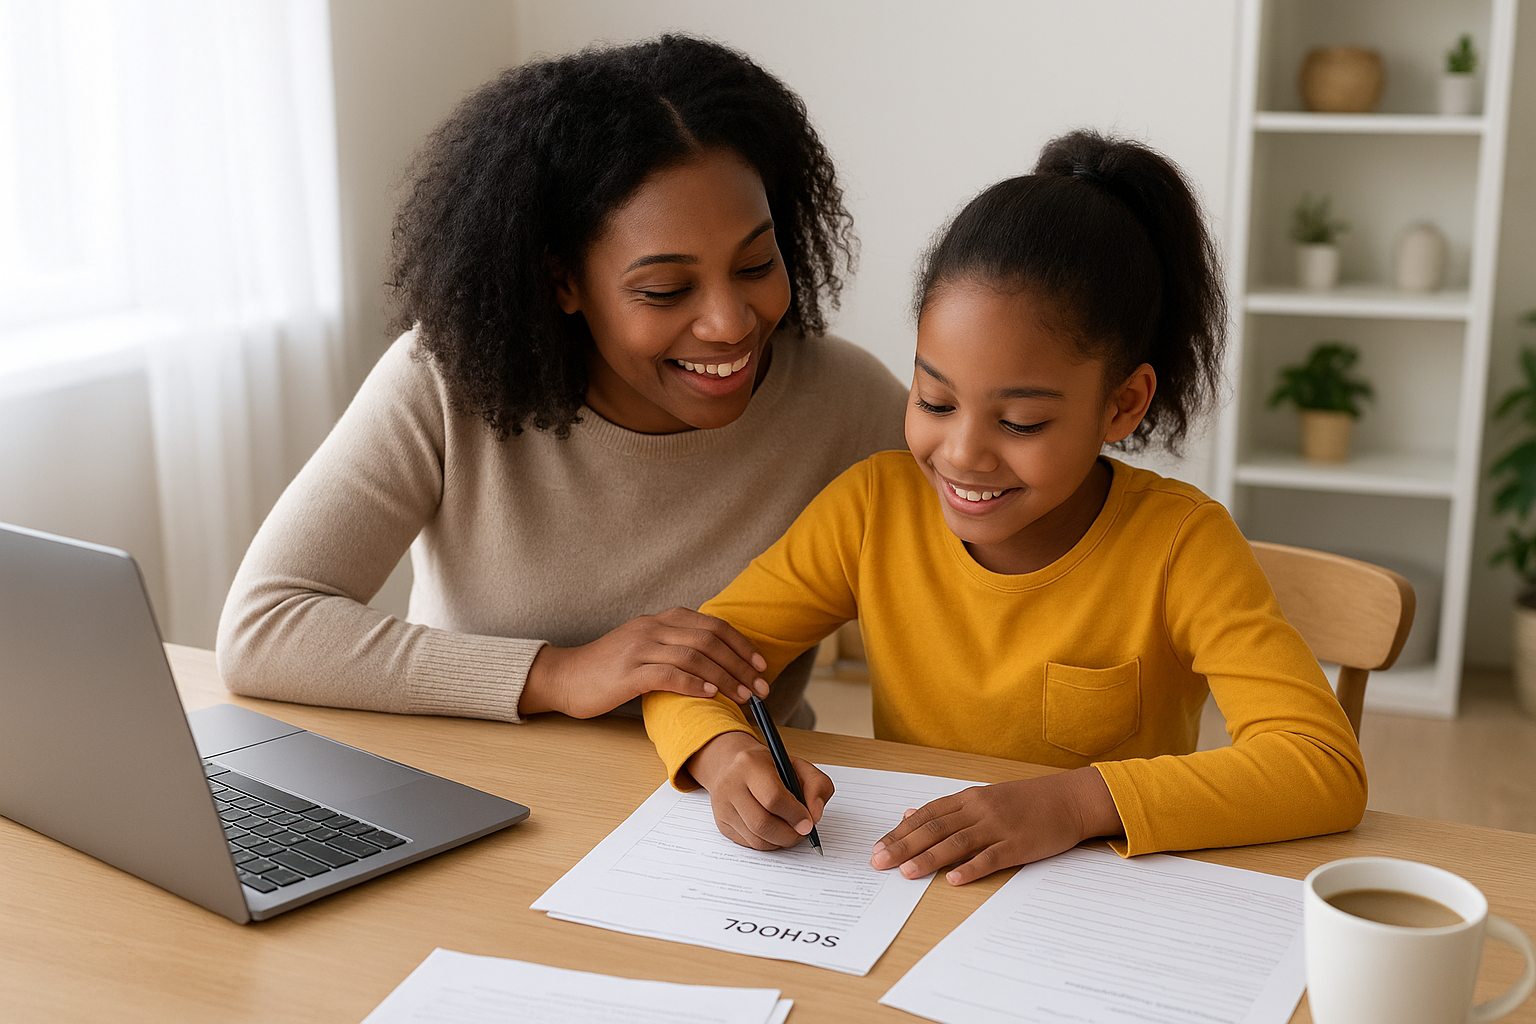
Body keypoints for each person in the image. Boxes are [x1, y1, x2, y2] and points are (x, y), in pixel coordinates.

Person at [643, 130, 1367, 881]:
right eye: (935, 399)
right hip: (920, 891)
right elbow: (684, 671)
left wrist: (1071, 804)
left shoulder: (1183, 545)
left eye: (1020, 423)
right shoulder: (870, 511)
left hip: (1101, 908)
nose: (962, 454)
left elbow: (1320, 766)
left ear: (1122, 405)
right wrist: (726, 756)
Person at [216, 36, 907, 727]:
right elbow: (263, 627)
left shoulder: (844, 403)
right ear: (564, 283)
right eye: (666, 290)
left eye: (756, 264)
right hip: (488, 794)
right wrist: (558, 674)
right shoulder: (448, 383)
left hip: (743, 818)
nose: (729, 324)